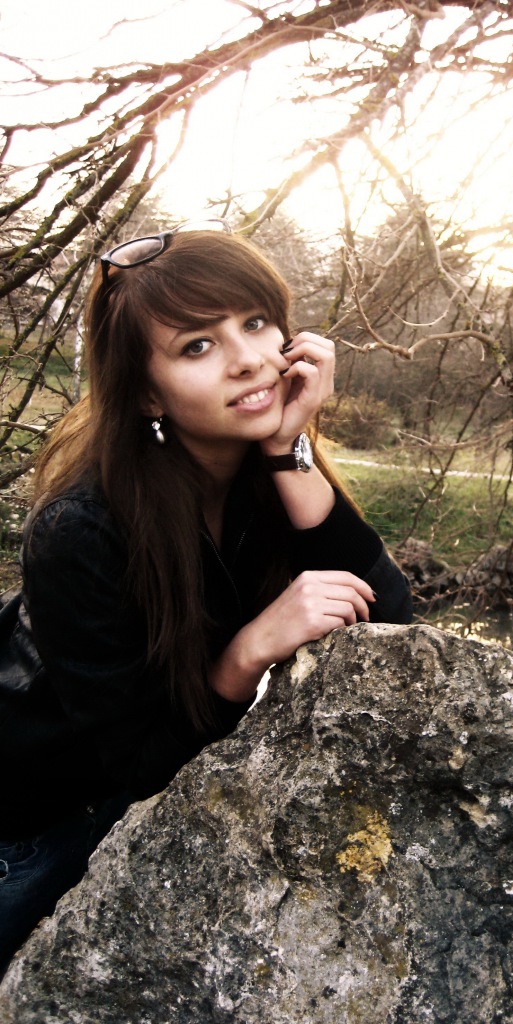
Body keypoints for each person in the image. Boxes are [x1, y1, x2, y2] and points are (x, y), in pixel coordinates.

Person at [0, 222, 413, 974]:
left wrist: (289, 452)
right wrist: (246, 652)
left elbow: (391, 621)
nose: (248, 359)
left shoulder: (264, 469)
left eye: (255, 323)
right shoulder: (81, 529)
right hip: (28, 819)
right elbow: (138, 765)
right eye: (197, 346)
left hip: (140, 793)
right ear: (146, 393)